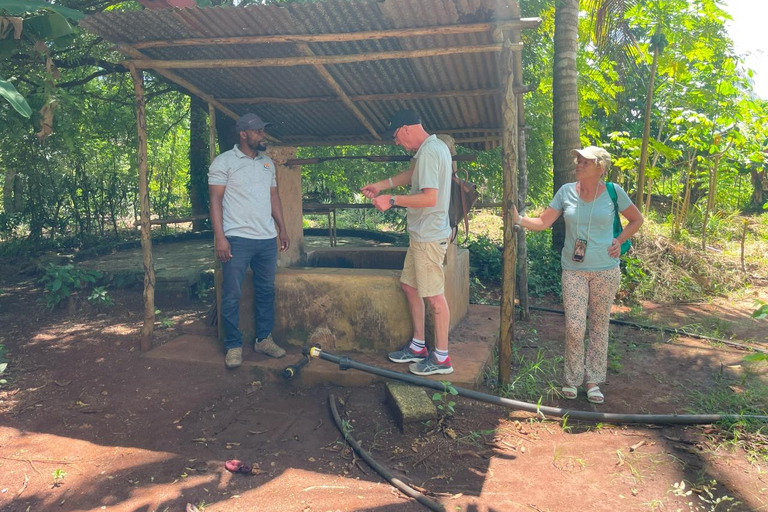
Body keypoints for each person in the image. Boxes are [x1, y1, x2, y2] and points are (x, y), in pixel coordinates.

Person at [513, 146, 643, 403]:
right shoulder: (565, 192)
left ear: (600, 167)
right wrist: (517, 218)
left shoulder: (614, 193)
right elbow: (543, 222)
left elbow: (636, 219)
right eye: (578, 160)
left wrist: (619, 239)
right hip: (573, 271)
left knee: (598, 325)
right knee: (574, 326)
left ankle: (593, 380)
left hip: (606, 270)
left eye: (585, 161)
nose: (579, 164)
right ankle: (571, 379)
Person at [361, 110, 454, 376]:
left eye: (395, 137)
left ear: (405, 129)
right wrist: (382, 185)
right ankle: (418, 346)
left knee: (435, 297)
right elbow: (413, 174)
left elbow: (429, 198)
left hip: (429, 236)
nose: (397, 143)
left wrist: (392, 200)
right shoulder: (431, 148)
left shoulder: (429, 151)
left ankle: (442, 358)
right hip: (421, 234)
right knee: (409, 286)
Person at [208, 113, 290, 369]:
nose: (262, 135)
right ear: (243, 134)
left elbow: (273, 198)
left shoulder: (268, 164)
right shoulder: (224, 162)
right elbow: (215, 201)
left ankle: (263, 340)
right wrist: (220, 238)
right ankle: (233, 345)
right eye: (257, 131)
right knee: (232, 294)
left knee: (266, 291)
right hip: (237, 238)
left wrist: (282, 229)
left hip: (266, 239)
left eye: (263, 131)